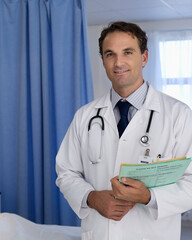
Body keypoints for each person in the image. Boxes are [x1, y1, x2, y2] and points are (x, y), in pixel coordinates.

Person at [55, 21, 192, 240]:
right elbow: (66, 172)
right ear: (103, 61)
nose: (118, 62)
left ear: (144, 57)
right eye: (110, 54)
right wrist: (91, 197)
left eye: (127, 52)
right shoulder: (85, 116)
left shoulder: (179, 115)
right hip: (100, 231)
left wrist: (149, 196)